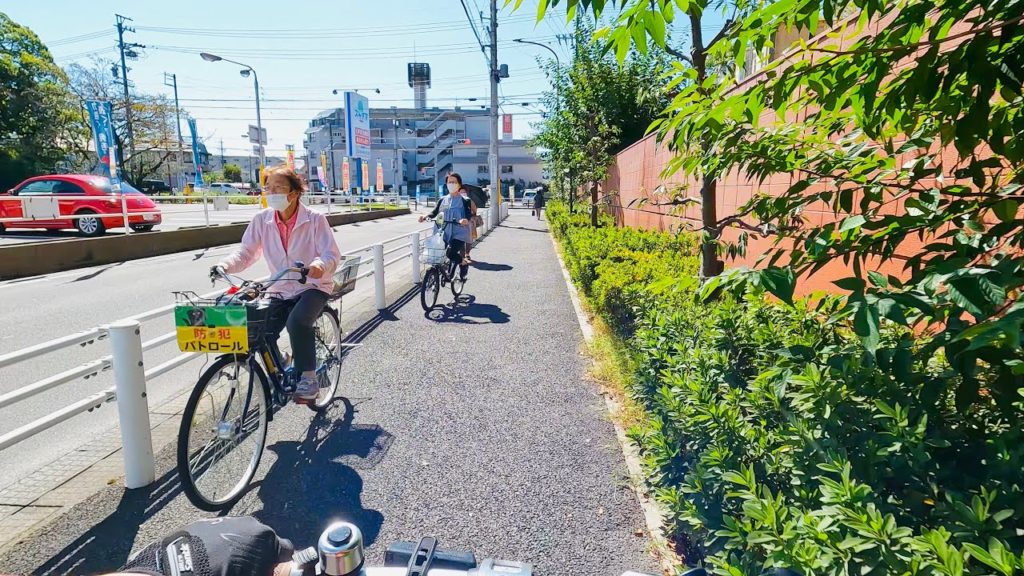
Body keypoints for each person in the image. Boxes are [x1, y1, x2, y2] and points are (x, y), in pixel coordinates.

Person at [211, 165, 342, 403]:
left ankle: (309, 378)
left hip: (313, 285)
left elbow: (330, 254)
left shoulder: (315, 219)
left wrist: (319, 266)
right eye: (268, 188)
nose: (272, 193)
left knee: (298, 322)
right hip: (280, 287)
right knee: (259, 326)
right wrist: (225, 265)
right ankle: (281, 362)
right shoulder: (261, 220)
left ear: (294, 193)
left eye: (278, 188)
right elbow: (247, 252)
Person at [419, 173, 471, 280]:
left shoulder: (465, 200)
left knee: (451, 253)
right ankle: (440, 272)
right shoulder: (442, 199)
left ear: (459, 184)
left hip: (459, 232)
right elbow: (434, 212)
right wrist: (425, 216)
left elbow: (468, 214)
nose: (451, 184)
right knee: (437, 252)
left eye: (454, 182)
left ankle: (463, 263)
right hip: (444, 231)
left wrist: (465, 220)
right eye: (449, 182)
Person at [461, 187, 479, 261]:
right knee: (460, 239)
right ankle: (462, 256)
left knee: (469, 240)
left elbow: (474, 211)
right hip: (459, 223)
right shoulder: (456, 200)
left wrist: (470, 215)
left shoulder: (469, 200)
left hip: (469, 222)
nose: (462, 193)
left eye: (463, 192)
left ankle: (467, 253)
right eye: (461, 192)